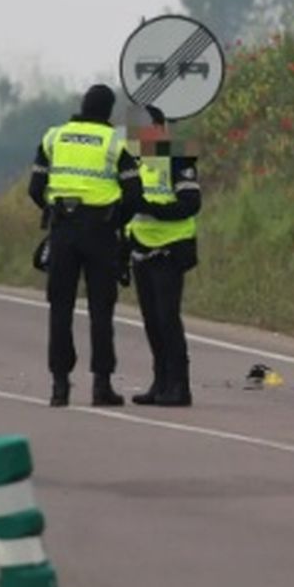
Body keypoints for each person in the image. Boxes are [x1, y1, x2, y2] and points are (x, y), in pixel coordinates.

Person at [28, 84, 142, 408]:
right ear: (108, 112)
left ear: (82, 105)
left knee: (60, 309)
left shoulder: (54, 137)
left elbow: (35, 187)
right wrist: (115, 220)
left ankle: (59, 386)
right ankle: (101, 386)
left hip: (63, 229)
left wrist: (53, 212)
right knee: (101, 310)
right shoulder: (114, 142)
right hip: (100, 232)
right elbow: (135, 194)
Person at [126, 106, 201, 406]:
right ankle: (160, 381)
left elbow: (190, 203)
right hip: (142, 247)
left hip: (171, 246)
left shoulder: (178, 157)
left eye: (144, 129)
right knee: (150, 320)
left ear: (160, 129)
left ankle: (180, 386)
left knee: (167, 318)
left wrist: (148, 207)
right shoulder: (134, 159)